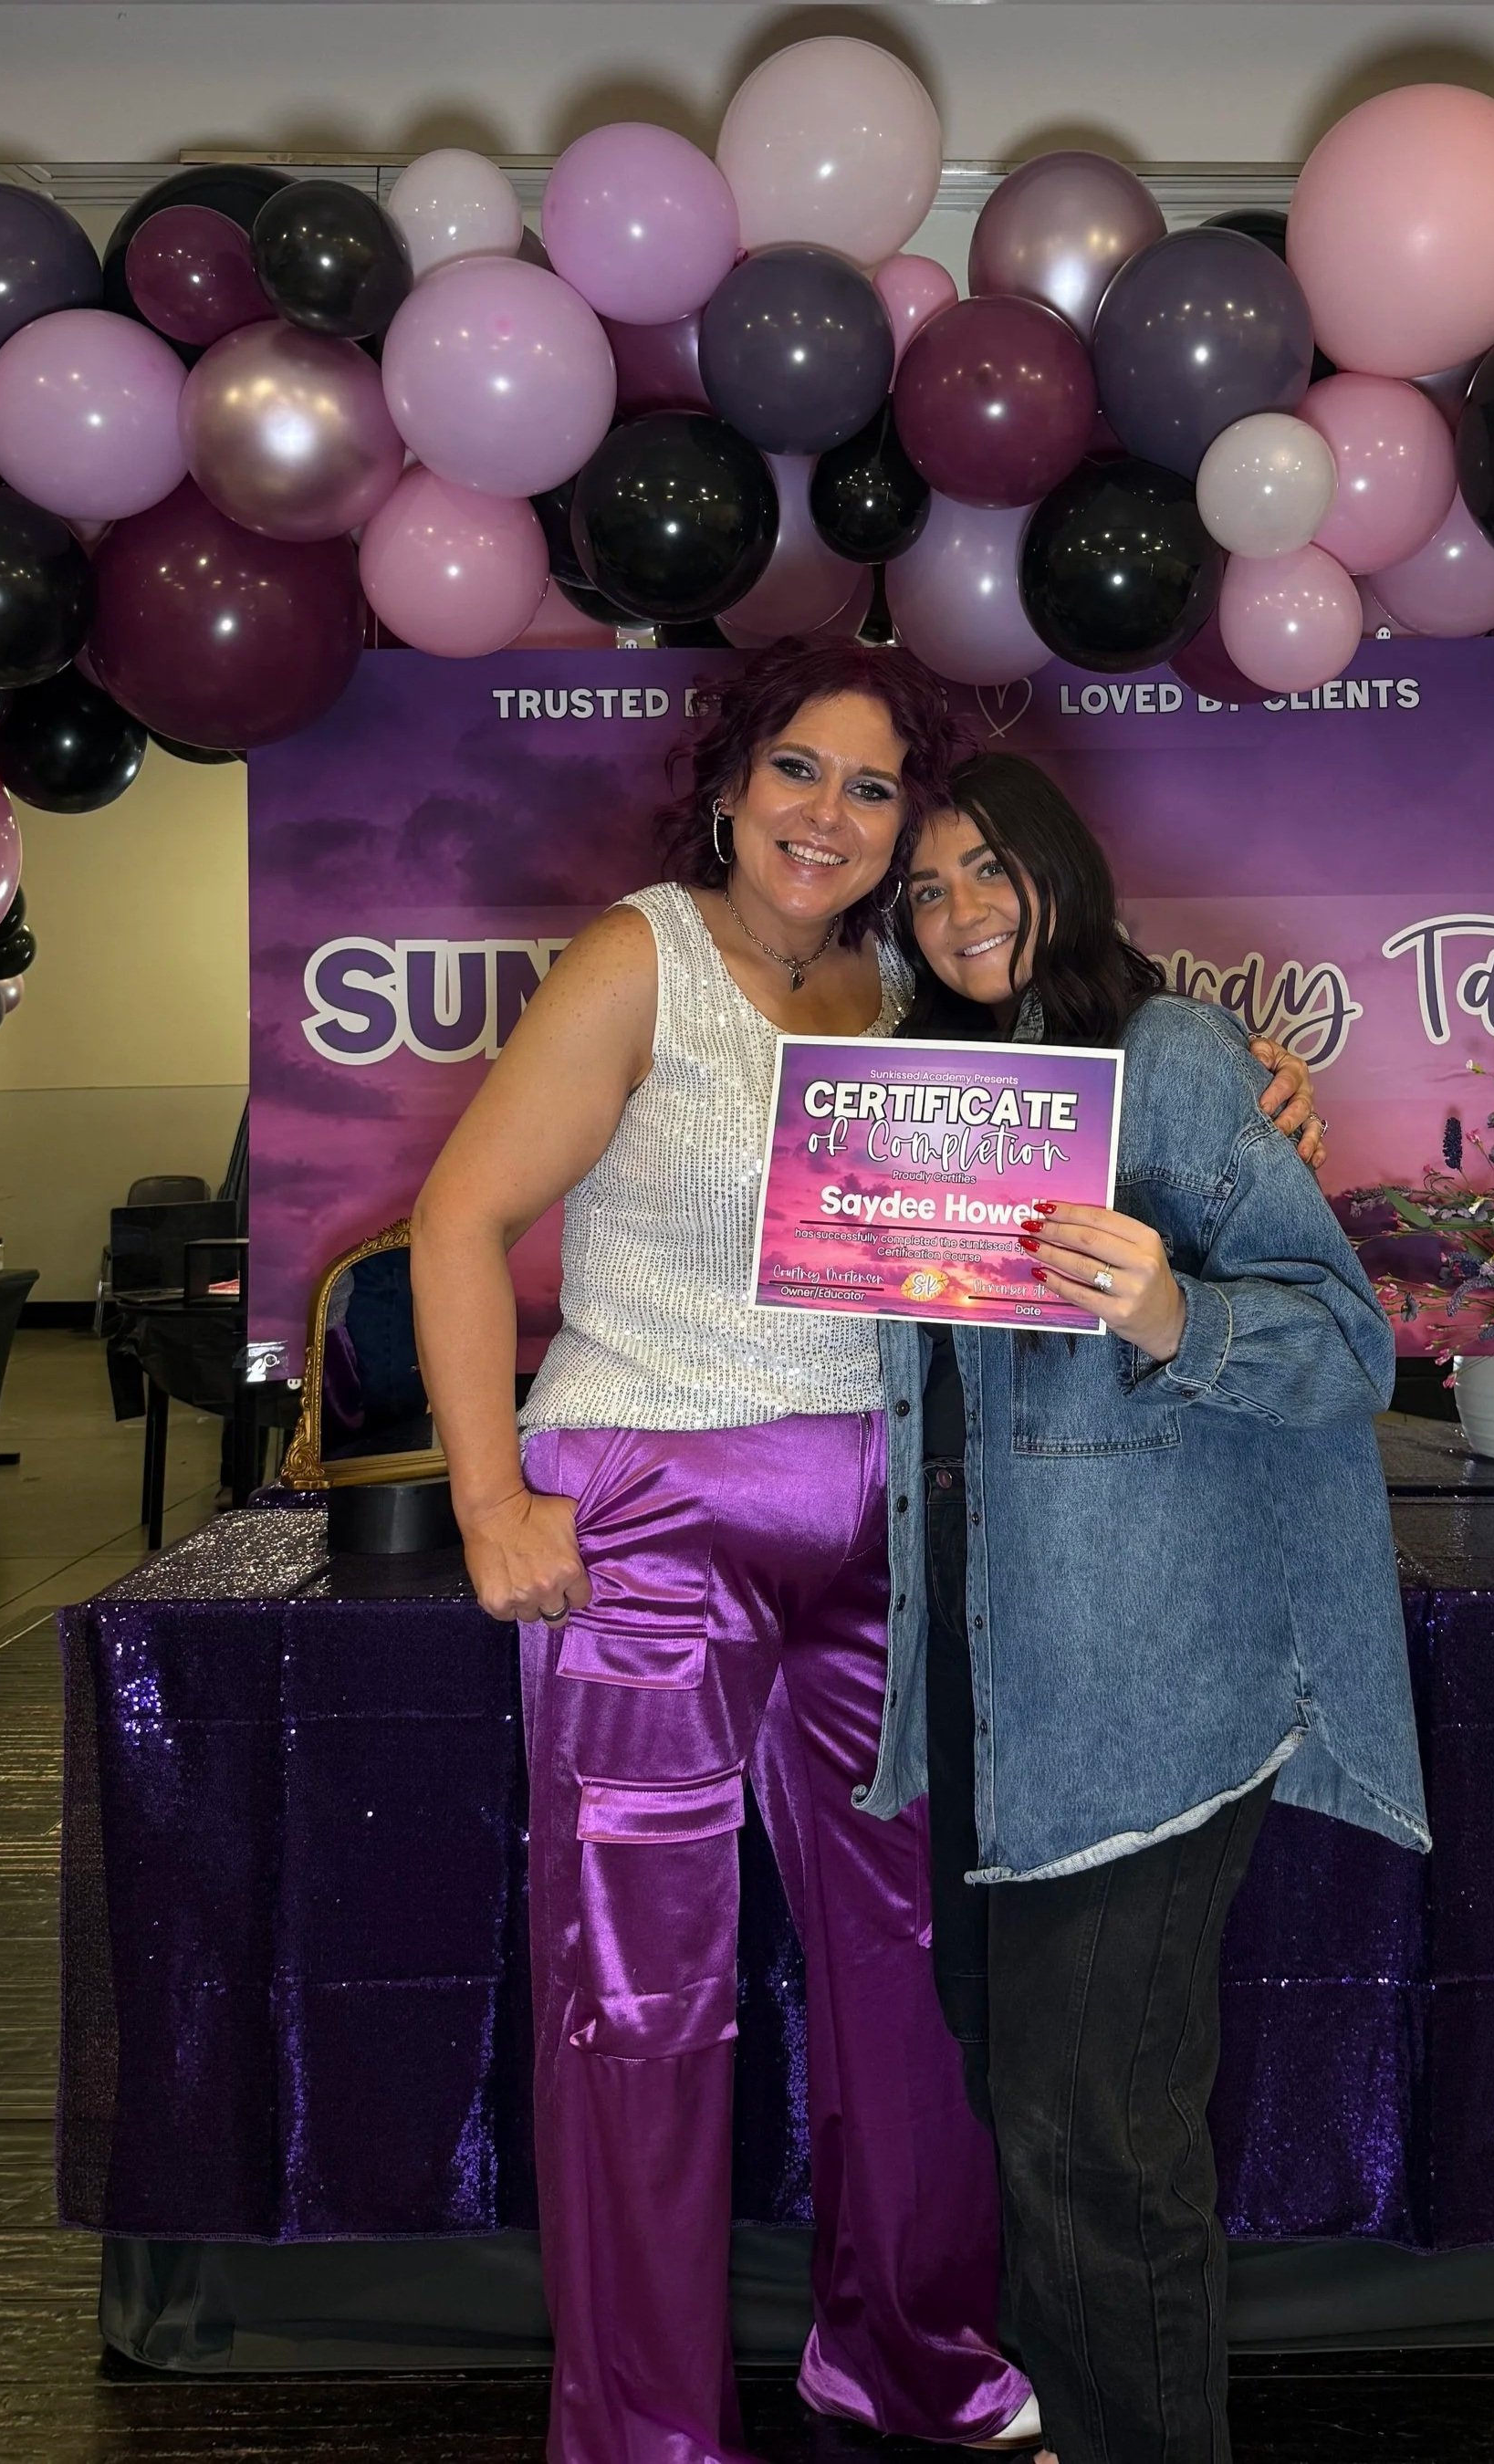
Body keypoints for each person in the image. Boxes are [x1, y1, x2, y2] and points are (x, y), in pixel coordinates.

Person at [409, 644, 1322, 2464]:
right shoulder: (639, 958)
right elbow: (459, 1215)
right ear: (731, 787)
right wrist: (490, 1498)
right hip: (654, 1514)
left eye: (875, 788)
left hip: (896, 1523)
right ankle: (645, 2432)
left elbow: (1091, 1110)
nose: (832, 814)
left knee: (910, 1975)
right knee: (640, 2002)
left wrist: (1247, 1097)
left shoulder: (907, 979)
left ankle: (904, 2357)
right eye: (800, 772)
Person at [862, 752, 1431, 2464]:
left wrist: (1180, 1311)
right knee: (1029, 2106)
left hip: (1151, 1680)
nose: (959, 913)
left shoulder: (1168, 1059)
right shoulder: (914, 1090)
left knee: (1097, 2132)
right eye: (927, 888)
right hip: (984, 1670)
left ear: (1064, 872)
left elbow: (1352, 1353)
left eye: (988, 872)